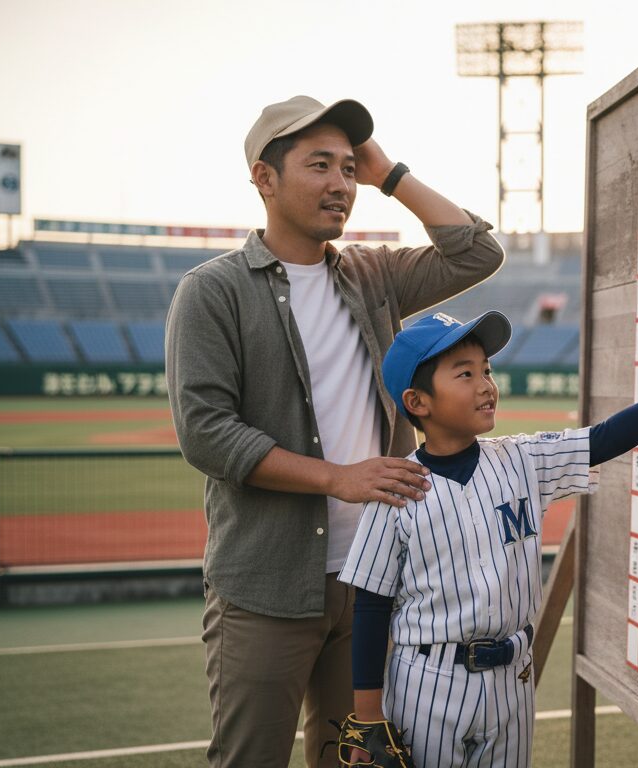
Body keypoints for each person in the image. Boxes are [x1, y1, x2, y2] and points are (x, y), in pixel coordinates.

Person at [165, 95, 505, 768]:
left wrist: (390, 174)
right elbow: (206, 432)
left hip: (377, 580)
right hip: (266, 585)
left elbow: (477, 253)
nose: (341, 184)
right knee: (250, 759)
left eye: (349, 168)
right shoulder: (212, 291)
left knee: (357, 760)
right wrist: (338, 479)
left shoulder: (373, 274)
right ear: (264, 178)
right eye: (319, 165)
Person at [338, 310, 638, 767]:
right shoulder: (395, 490)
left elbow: (603, 439)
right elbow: (372, 604)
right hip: (429, 679)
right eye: (465, 374)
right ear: (417, 402)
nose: (486, 385)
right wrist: (368, 716)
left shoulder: (523, 459)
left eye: (487, 371)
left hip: (513, 678)